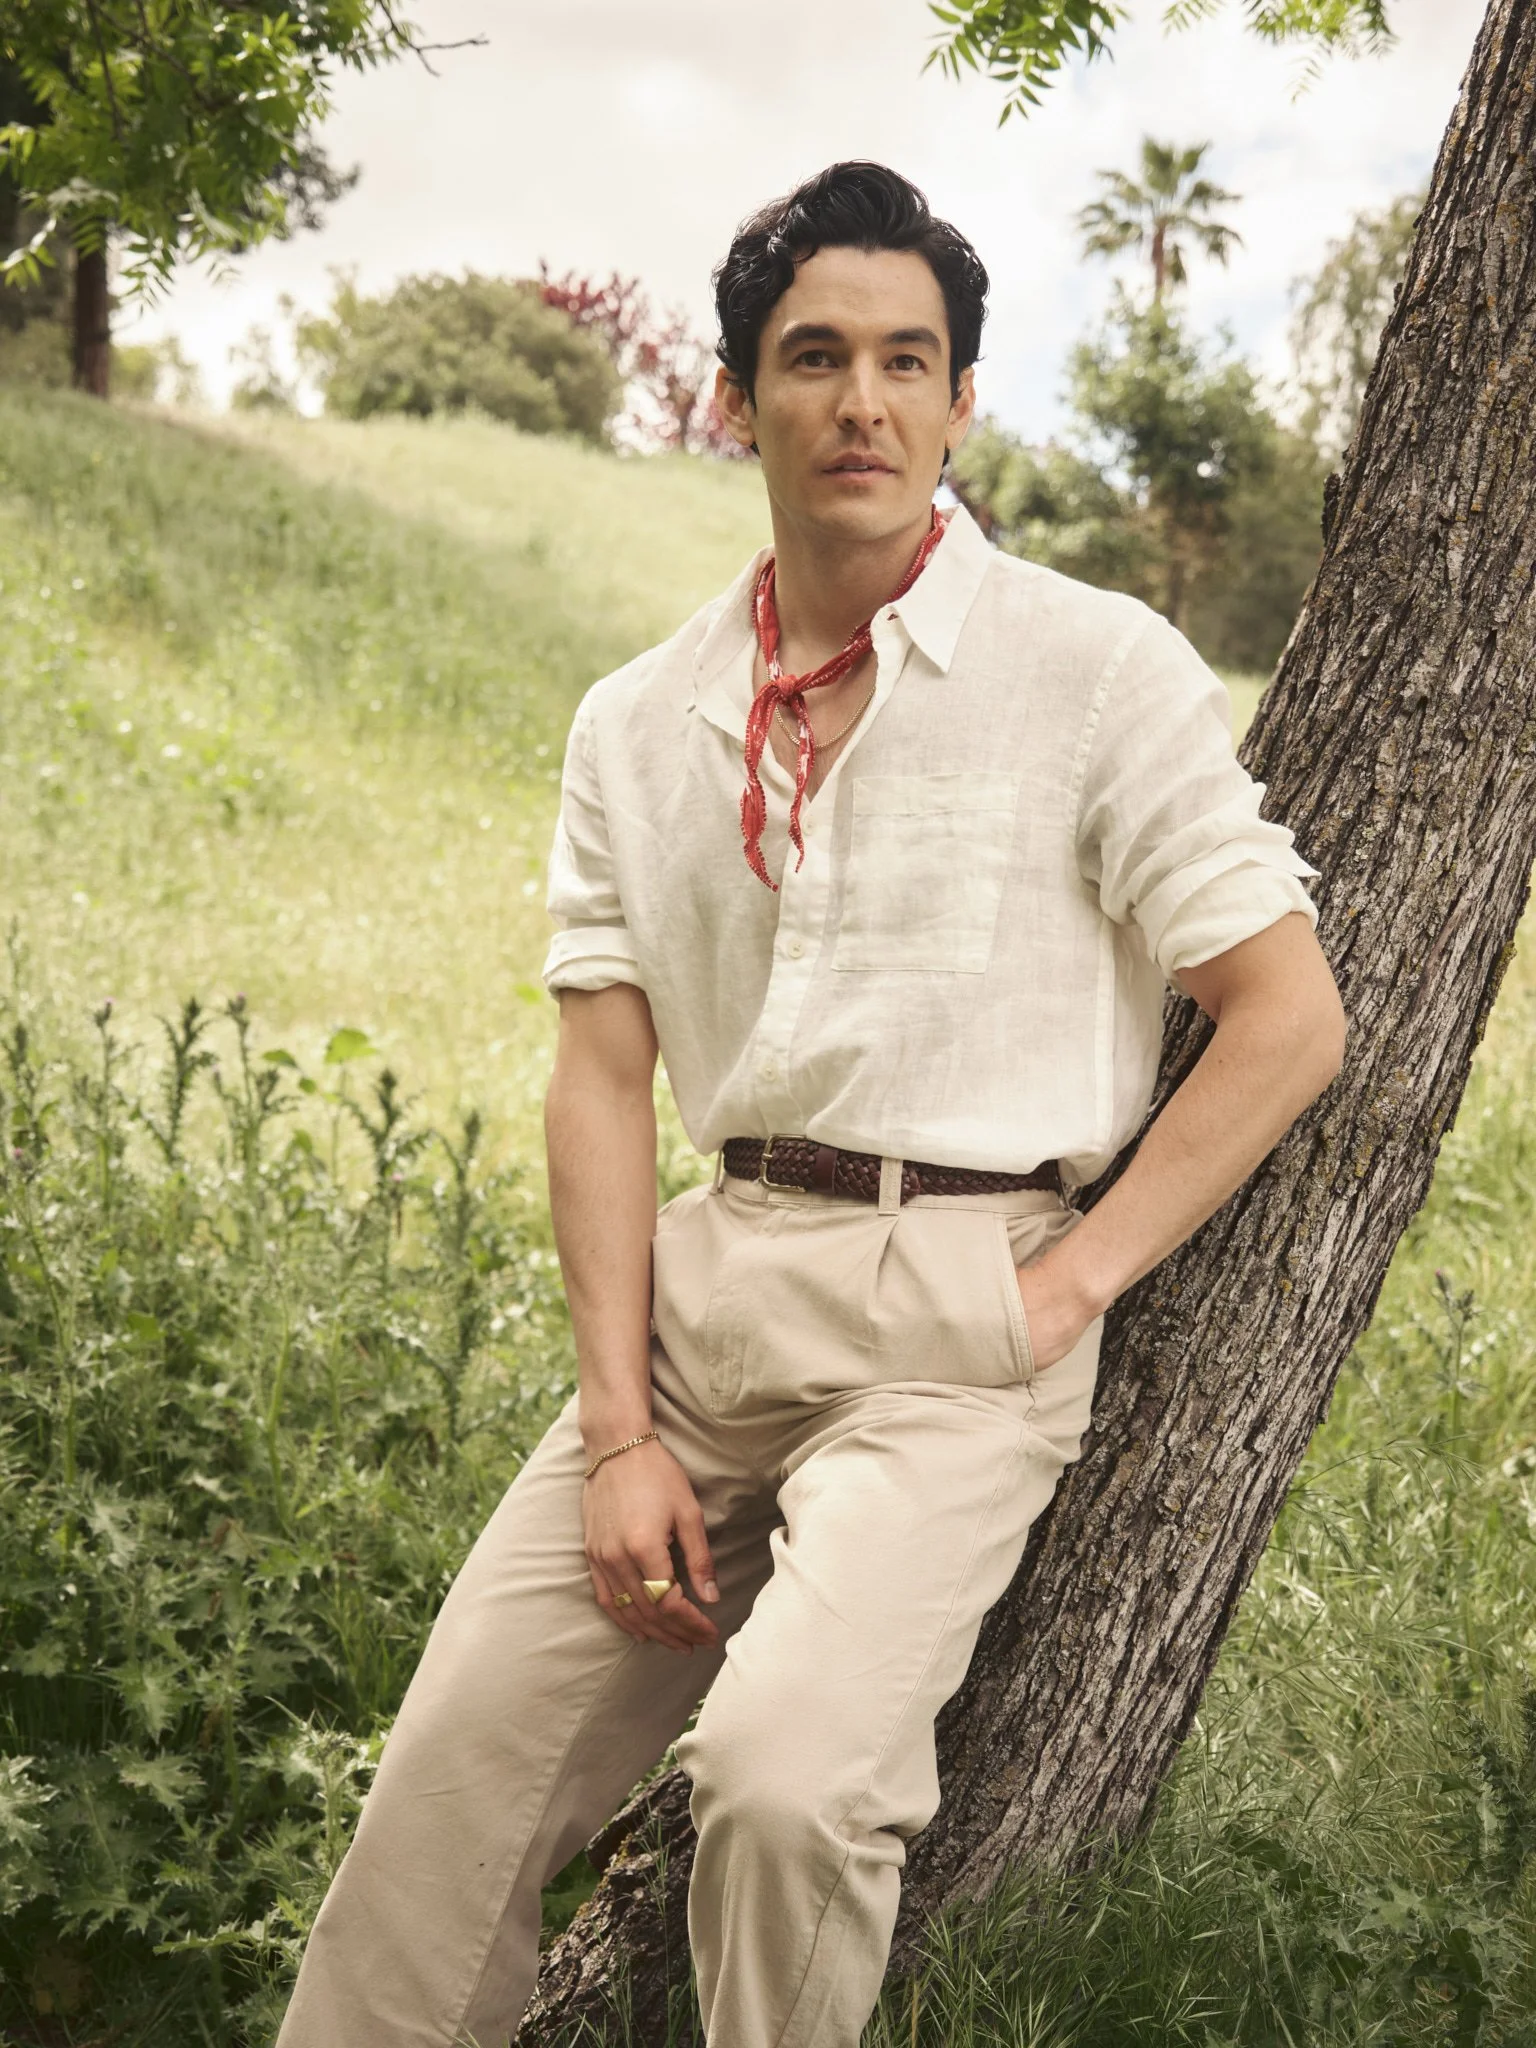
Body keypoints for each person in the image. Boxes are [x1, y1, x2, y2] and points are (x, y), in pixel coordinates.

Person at [276, 159, 1347, 2048]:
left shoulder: (1092, 672)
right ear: (736, 397)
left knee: (781, 1790)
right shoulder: (636, 719)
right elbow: (603, 1077)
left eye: (906, 361)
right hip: (707, 1309)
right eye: (816, 357)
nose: (864, 401)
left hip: (961, 1316)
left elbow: (1286, 1018)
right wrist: (620, 1430)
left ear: (959, 401)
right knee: (443, 1787)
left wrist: (1067, 1286)